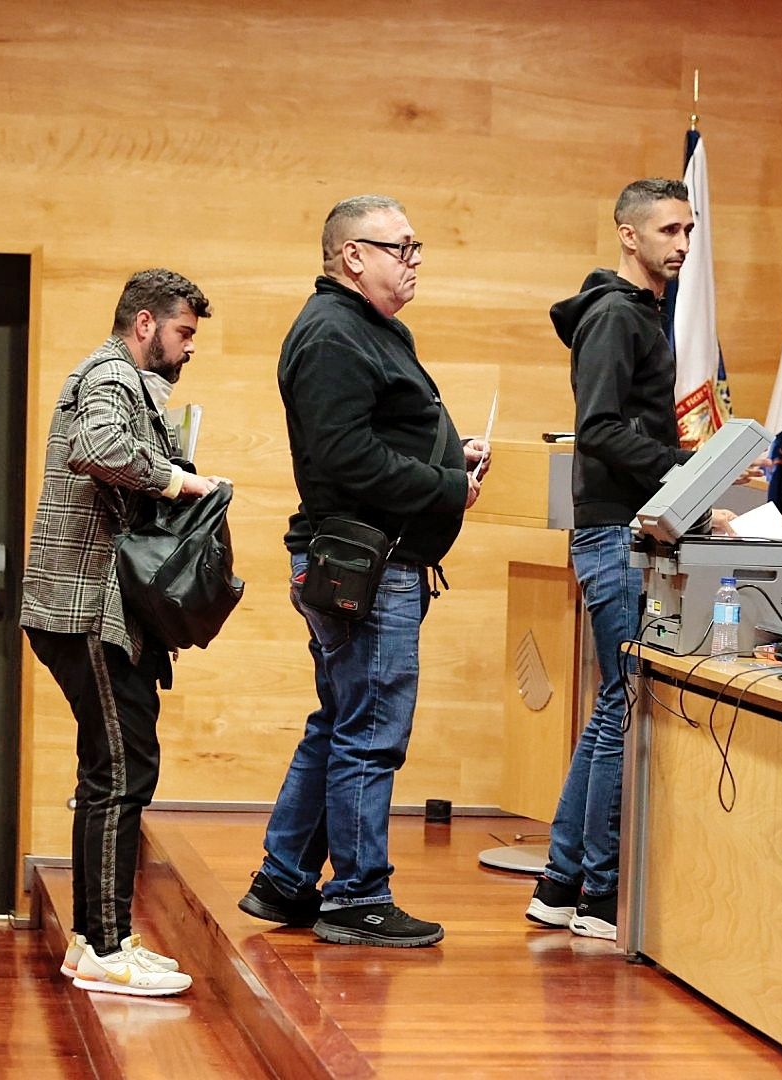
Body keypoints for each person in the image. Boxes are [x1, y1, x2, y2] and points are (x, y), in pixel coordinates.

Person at [237, 194, 484, 948]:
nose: (413, 263)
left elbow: (378, 437)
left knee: (342, 721)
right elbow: (345, 458)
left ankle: (284, 880)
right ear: (353, 256)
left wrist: (451, 456)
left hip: (374, 559)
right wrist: (446, 485)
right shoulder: (333, 335)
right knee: (370, 731)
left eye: (416, 249)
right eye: (400, 248)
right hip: (364, 563)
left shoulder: (367, 329)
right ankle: (357, 896)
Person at [525, 179, 740, 940]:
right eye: (668, 230)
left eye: (690, 230)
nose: (682, 244)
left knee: (614, 702)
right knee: (623, 704)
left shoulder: (645, 312)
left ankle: (561, 884)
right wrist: (693, 471)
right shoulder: (617, 315)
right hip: (614, 534)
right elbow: (604, 431)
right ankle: (598, 898)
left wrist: (700, 469)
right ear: (627, 235)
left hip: (628, 529)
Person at [22, 268, 224, 996]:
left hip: (90, 610)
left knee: (108, 772)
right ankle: (109, 949)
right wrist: (180, 481)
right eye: (183, 332)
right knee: (123, 773)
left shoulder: (113, 376)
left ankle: (90, 940)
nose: (188, 347)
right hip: (87, 612)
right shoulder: (109, 375)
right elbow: (99, 446)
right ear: (145, 324)